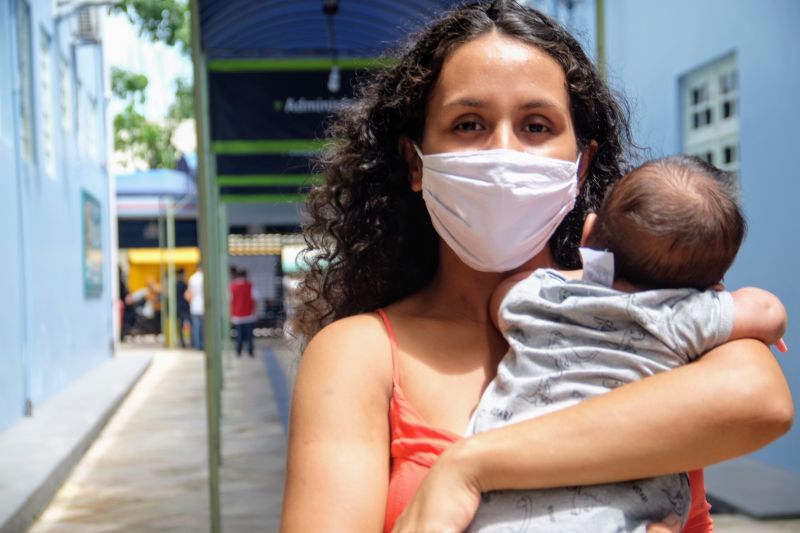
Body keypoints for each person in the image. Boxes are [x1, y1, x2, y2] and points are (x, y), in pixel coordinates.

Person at [280, 2, 793, 532]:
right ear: (416, 161)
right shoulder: (360, 355)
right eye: (469, 124)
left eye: (536, 125)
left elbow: (764, 402)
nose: (504, 153)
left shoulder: (652, 299)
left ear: (581, 164)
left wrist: (469, 467)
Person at [465, 155, 788, 532]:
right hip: (614, 517)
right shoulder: (684, 316)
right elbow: (768, 311)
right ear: (714, 282)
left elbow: (500, 298)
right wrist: (714, 299)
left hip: (497, 501)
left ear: (587, 234)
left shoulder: (539, 293)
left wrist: (581, 278)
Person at [230, 268, 258, 357]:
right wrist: (255, 311)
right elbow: (255, 299)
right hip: (249, 314)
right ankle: (250, 351)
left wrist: (231, 313)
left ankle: (238, 351)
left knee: (239, 335)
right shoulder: (250, 285)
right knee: (249, 335)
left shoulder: (232, 286)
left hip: (237, 315)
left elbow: (229, 300)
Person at [186, 266, 204, 350]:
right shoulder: (205, 277)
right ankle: (203, 344)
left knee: (196, 327)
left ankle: (197, 345)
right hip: (204, 306)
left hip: (194, 305)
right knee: (203, 327)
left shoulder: (192, 278)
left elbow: (189, 294)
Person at [175, 268, 192, 348]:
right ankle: (190, 341)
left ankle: (182, 342)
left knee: (181, 325)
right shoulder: (183, 284)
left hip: (178, 307)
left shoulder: (175, 284)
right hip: (184, 307)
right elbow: (187, 296)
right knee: (189, 323)